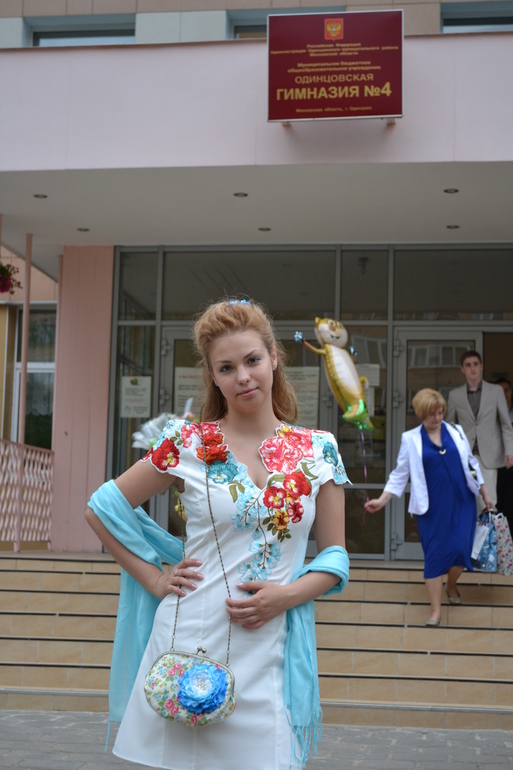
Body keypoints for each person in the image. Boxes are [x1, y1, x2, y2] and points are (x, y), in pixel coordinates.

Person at [85, 297, 350, 770]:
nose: (243, 376)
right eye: (227, 368)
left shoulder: (319, 450)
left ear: (274, 358)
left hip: (272, 645)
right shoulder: (186, 442)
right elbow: (102, 508)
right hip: (190, 640)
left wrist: (285, 597)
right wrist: (154, 579)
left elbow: (334, 559)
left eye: (252, 360)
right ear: (213, 376)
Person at [364, 388, 493, 627]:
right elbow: (400, 474)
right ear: (421, 414)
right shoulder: (410, 439)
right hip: (431, 508)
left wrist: (484, 492)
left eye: (440, 412)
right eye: (432, 414)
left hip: (462, 502)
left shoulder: (456, 431)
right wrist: (382, 499)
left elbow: (471, 463)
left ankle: (451, 584)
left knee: (461, 551)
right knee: (434, 555)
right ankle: (435, 611)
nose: (437, 418)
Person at [446, 350, 513, 509]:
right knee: (464, 501)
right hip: (464, 454)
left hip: (488, 455)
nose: (472, 368)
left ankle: (488, 527)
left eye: (475, 364)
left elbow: (506, 424)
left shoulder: (495, 391)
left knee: (488, 503)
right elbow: (449, 426)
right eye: (468, 365)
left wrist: (510, 451)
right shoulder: (455, 395)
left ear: (481, 366)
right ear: (462, 369)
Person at [495, 378, 513, 531]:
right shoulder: (490, 415)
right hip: (495, 465)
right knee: (498, 505)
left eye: (506, 390)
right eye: (499, 391)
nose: (504, 394)